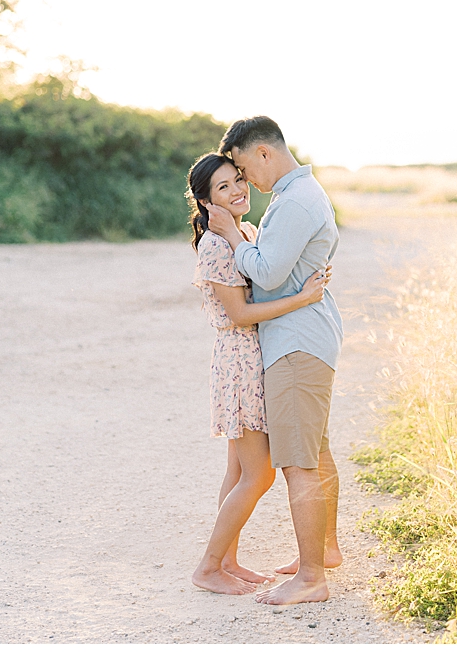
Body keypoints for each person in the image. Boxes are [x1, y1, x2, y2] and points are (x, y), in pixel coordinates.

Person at [205, 116, 344, 606]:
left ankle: (310, 578)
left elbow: (265, 271)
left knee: (298, 463)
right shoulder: (295, 197)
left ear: (262, 153)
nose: (247, 182)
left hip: (295, 343)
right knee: (316, 450)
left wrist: (238, 238)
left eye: (243, 168)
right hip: (303, 338)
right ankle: (324, 550)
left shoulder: (296, 201)